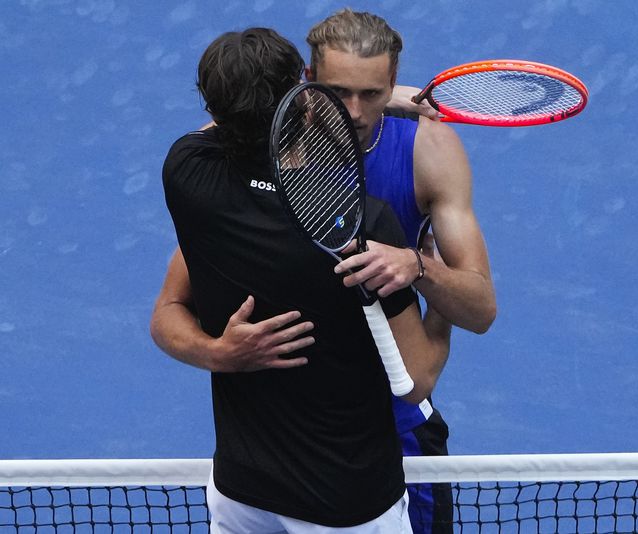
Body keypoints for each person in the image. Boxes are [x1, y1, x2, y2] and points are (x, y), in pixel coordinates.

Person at [151, 9, 496, 534]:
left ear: (391, 80)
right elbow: (169, 308)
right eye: (340, 92)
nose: (356, 113)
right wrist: (216, 352)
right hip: (293, 440)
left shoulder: (428, 152)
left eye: (373, 94)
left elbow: (480, 309)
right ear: (305, 86)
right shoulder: (247, 158)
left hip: (392, 418)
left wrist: (417, 265)